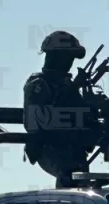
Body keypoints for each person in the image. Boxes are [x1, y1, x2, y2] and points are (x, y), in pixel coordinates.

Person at [23, 30, 101, 187]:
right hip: (49, 147)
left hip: (73, 149)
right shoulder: (38, 85)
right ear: (54, 56)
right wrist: (72, 90)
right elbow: (38, 123)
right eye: (66, 57)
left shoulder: (66, 85)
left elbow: (83, 116)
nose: (69, 62)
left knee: (82, 180)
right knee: (70, 175)